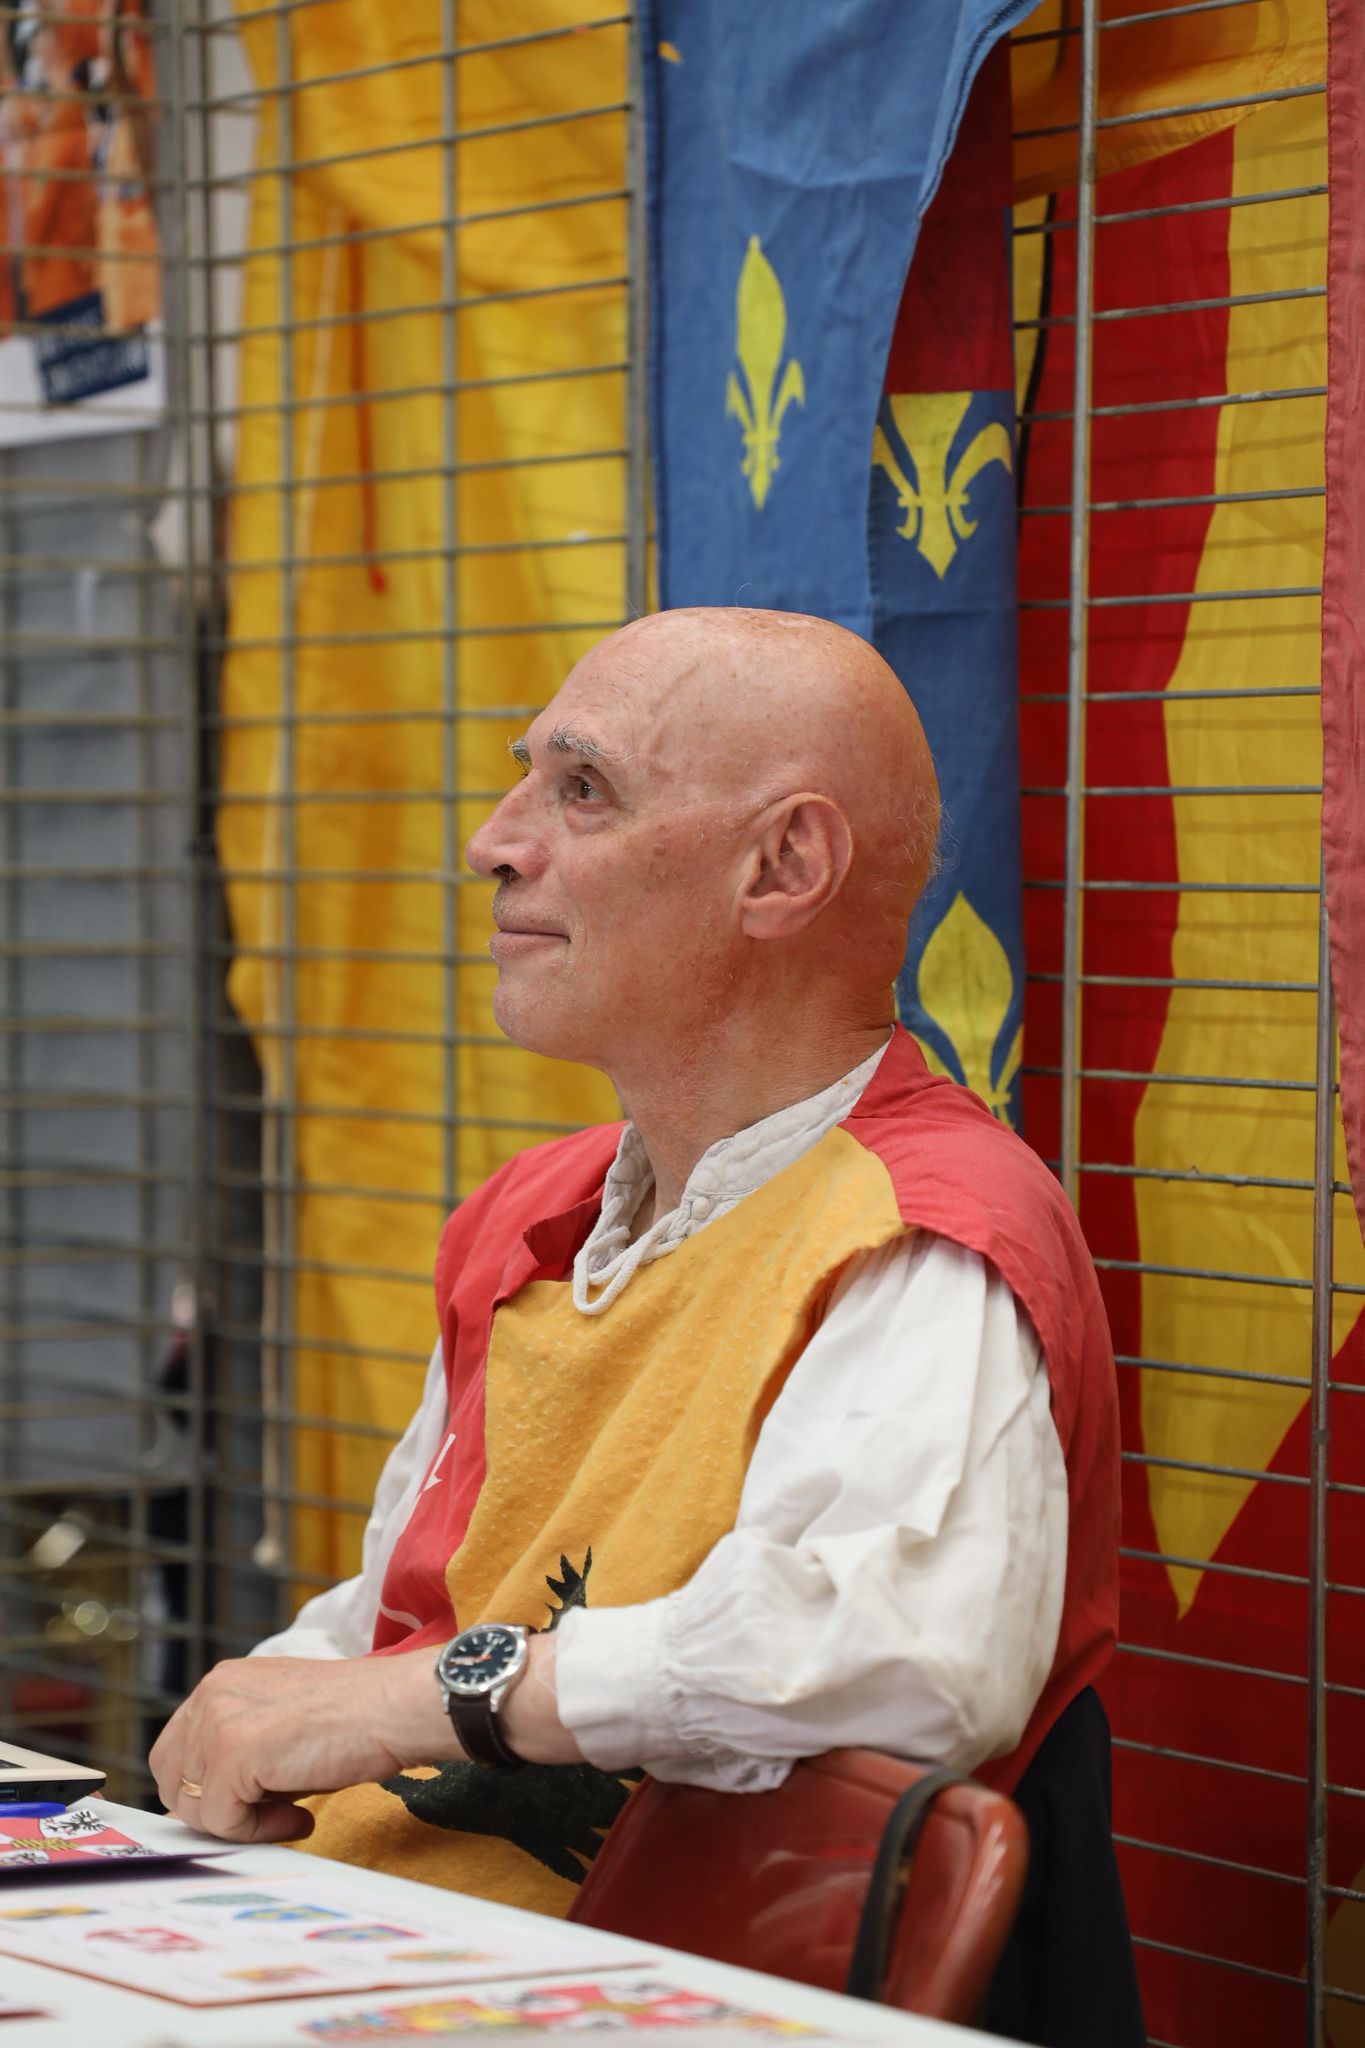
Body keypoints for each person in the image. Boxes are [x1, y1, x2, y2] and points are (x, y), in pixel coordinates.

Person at [150, 608, 1120, 1932]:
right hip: (392, 1929)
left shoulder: (934, 1224)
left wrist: (428, 1696)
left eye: (583, 790)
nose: (494, 842)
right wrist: (250, 1713)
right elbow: (403, 1618)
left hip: (646, 1983)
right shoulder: (526, 1214)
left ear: (783, 866)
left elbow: (909, 1654)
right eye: (525, 778)